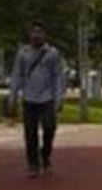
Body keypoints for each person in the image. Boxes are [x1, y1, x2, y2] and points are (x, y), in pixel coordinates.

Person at [8, 22, 65, 178]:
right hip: (29, 97)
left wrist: (59, 98)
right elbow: (17, 75)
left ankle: (45, 156)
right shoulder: (23, 53)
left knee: (49, 128)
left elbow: (58, 76)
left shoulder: (52, 53)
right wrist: (13, 96)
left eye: (40, 32)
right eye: (34, 32)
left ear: (45, 35)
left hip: (47, 98)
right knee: (30, 132)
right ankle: (32, 163)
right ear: (29, 34)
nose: (36, 35)